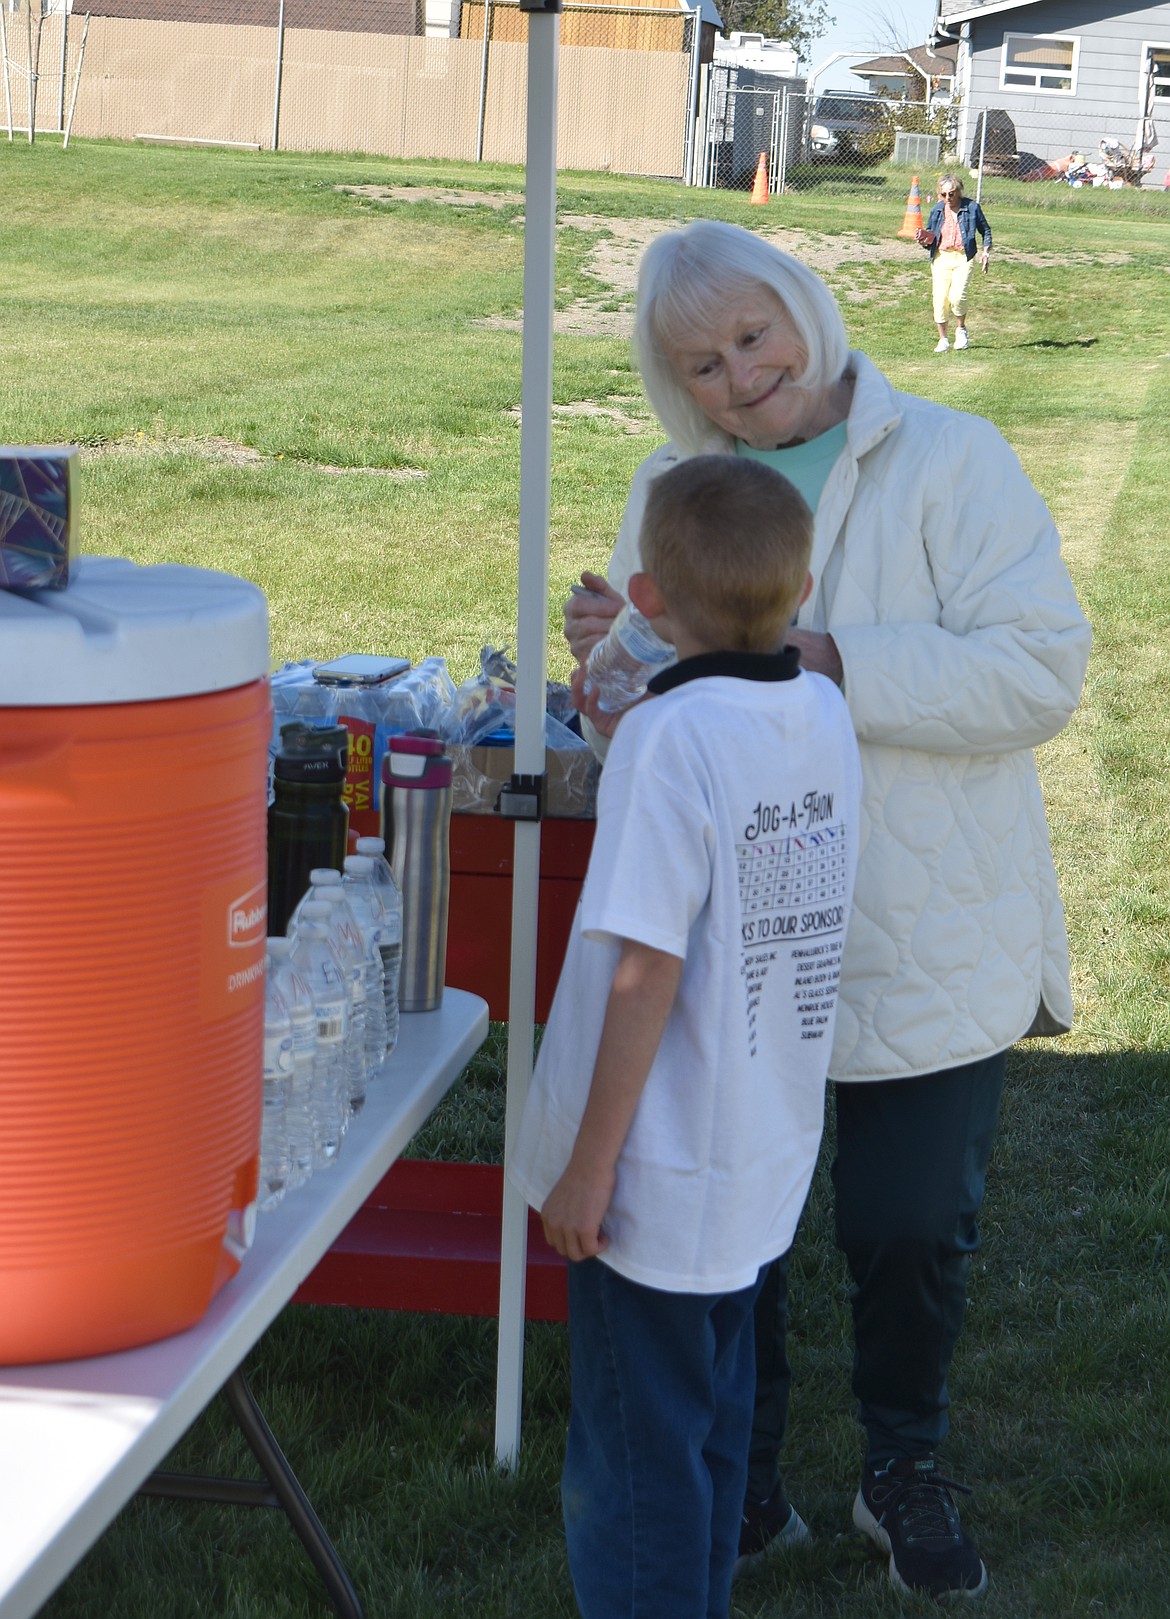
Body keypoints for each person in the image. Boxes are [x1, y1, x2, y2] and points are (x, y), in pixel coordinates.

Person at [563, 219, 1092, 1600]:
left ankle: (899, 1461)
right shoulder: (670, 485)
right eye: (703, 359)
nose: (741, 375)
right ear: (673, 381)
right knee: (741, 1220)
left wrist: (825, 658)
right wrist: (603, 672)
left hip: (926, 920)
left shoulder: (948, 459)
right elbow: (646, 722)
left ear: (804, 309)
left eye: (755, 334)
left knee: (910, 1221)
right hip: (738, 941)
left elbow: (1037, 672)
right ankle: (747, 1476)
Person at [508, 453, 862, 1619]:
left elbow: (644, 970)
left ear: (645, 597)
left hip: (652, 1185)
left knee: (635, 1476)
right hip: (756, 1160)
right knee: (705, 1449)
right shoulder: (816, 707)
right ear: (801, 587)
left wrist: (589, 1168)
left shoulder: (668, 741)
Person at [916, 174, 992, 351]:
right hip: (941, 257)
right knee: (940, 299)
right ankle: (943, 339)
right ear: (938, 195)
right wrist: (925, 239)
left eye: (951, 194)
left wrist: (986, 252)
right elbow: (931, 233)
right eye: (943, 195)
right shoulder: (937, 209)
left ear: (959, 192)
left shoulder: (972, 208)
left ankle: (961, 329)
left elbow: (985, 230)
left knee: (957, 297)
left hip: (964, 257)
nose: (948, 198)